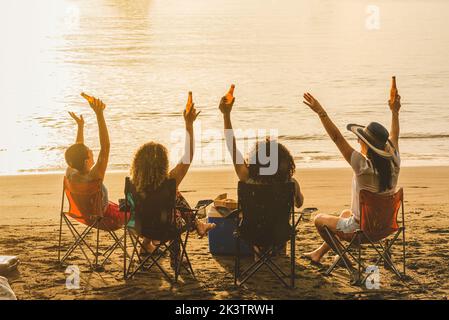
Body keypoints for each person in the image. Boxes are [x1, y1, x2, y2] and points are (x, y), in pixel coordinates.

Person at [301, 90, 402, 267]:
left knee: (319, 219)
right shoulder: (394, 162)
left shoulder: (362, 166)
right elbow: (394, 136)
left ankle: (345, 260)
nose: (357, 142)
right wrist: (394, 111)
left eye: (360, 139)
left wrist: (320, 112)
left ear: (367, 146)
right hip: (385, 228)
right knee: (345, 214)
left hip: (361, 231)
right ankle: (318, 254)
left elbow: (336, 138)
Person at [219, 85, 304, 256]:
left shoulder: (247, 178)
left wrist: (226, 115)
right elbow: (299, 204)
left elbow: (231, 145)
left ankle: (259, 251)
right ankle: (276, 249)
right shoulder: (290, 183)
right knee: (278, 221)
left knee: (252, 219)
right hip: (279, 234)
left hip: (252, 234)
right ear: (285, 162)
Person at [130, 95, 216, 256]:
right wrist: (189, 124)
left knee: (167, 200)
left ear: (138, 163)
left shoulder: (134, 183)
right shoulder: (169, 182)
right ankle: (178, 254)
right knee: (173, 203)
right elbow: (188, 156)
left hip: (139, 228)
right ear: (164, 163)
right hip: (167, 229)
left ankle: (146, 245)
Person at [65, 93, 127, 230]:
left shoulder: (70, 173)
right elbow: (105, 147)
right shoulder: (93, 178)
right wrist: (99, 114)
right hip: (107, 219)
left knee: (126, 204)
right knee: (139, 211)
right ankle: (148, 244)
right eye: (90, 151)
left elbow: (77, 151)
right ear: (87, 161)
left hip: (85, 217)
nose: (92, 152)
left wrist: (80, 126)